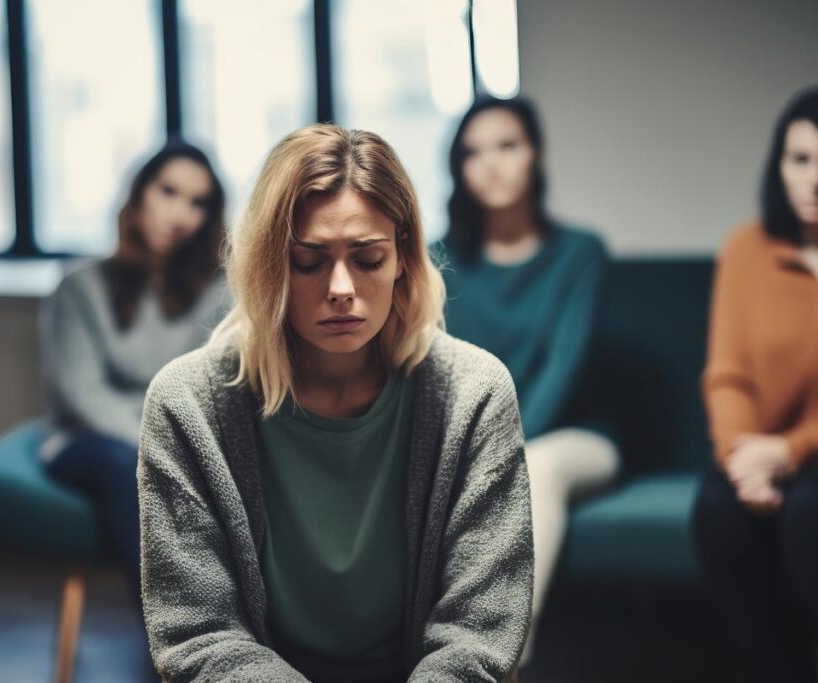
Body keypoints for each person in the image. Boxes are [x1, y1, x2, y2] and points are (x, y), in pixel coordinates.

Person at [137, 124, 533, 682]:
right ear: (268, 267)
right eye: (308, 261)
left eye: (368, 259)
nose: (341, 287)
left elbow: (479, 632)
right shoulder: (188, 405)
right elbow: (198, 632)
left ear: (402, 261)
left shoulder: (474, 393)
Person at [692, 86, 818, 683]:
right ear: (779, 165)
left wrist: (794, 451)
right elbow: (727, 374)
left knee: (817, 512)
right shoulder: (746, 249)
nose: (813, 181)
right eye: (799, 160)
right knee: (717, 506)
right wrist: (741, 456)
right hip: (762, 450)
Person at [437, 96, 618, 663]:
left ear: (535, 155)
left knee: (535, 467)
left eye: (507, 146)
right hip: (470, 442)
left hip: (574, 437)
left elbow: (562, 372)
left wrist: (493, 457)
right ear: (458, 169)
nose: (491, 163)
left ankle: (503, 656)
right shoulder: (436, 258)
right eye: (474, 152)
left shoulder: (580, 254)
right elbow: (432, 376)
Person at [41, 140, 228, 603]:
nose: (181, 213)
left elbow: (216, 389)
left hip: (186, 440)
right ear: (139, 195)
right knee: (130, 468)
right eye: (169, 191)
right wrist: (164, 449)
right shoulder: (80, 286)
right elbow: (83, 394)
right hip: (92, 440)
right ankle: (175, 640)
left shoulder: (222, 293)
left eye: (198, 202)